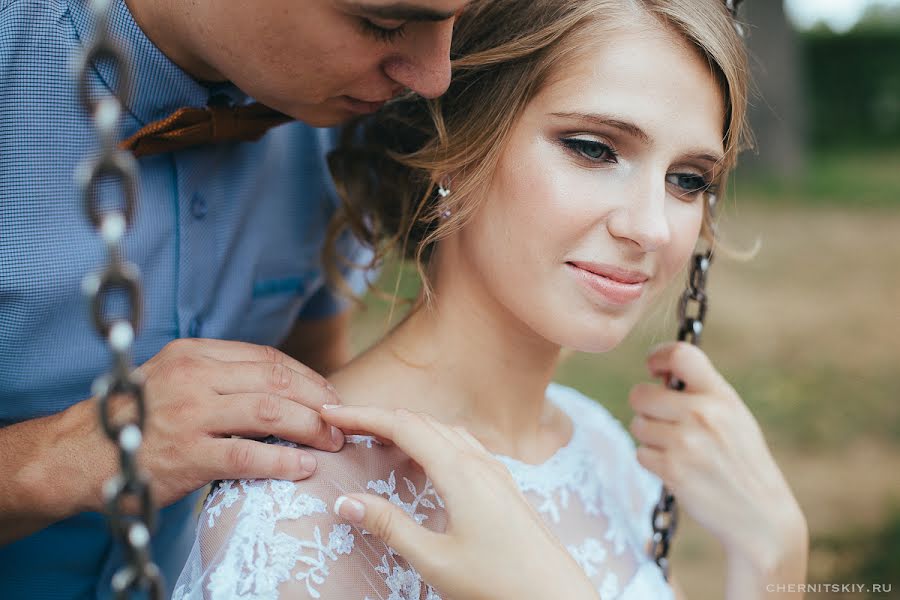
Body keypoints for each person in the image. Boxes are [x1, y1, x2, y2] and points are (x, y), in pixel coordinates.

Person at [172, 0, 810, 599]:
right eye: (593, 148)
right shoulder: (301, 511)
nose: (651, 227)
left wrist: (774, 558)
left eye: (687, 180)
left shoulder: (600, 447)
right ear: (458, 146)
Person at [0, 0, 471, 597]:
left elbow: (316, 379)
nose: (435, 76)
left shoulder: (344, 114)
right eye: (381, 23)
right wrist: (60, 459)